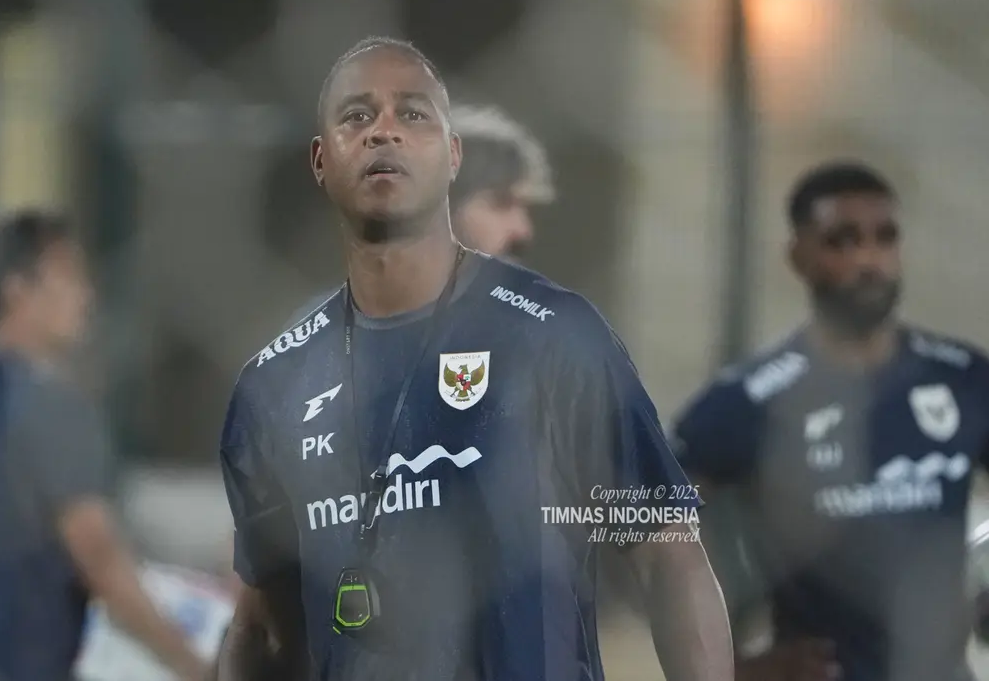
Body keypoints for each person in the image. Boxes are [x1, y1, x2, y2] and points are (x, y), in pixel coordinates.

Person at [216, 36, 733, 681]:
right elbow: (264, 622)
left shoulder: (553, 336)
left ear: (453, 155)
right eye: (356, 116)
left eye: (413, 114)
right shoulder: (274, 385)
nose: (384, 132)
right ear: (321, 161)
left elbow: (667, 558)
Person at [671, 161, 989, 681]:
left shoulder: (962, 378)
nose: (868, 260)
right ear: (799, 256)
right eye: (842, 241)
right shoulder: (752, 399)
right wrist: (731, 667)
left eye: (884, 238)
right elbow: (639, 521)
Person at [0, 209, 207, 681]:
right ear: (18, 290)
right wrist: (196, 666)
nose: (86, 297)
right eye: (69, 278)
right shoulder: (50, 406)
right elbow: (100, 560)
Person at [281, 102, 554, 329]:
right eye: (501, 203)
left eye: (524, 208)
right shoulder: (323, 333)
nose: (523, 230)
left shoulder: (536, 327)